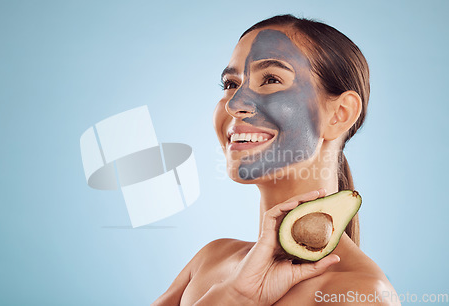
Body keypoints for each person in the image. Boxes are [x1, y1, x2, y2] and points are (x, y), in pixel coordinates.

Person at [153, 14, 399, 305]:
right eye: (230, 84)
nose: (234, 104)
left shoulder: (360, 293)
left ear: (340, 114)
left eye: (270, 79)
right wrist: (235, 295)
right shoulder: (209, 261)